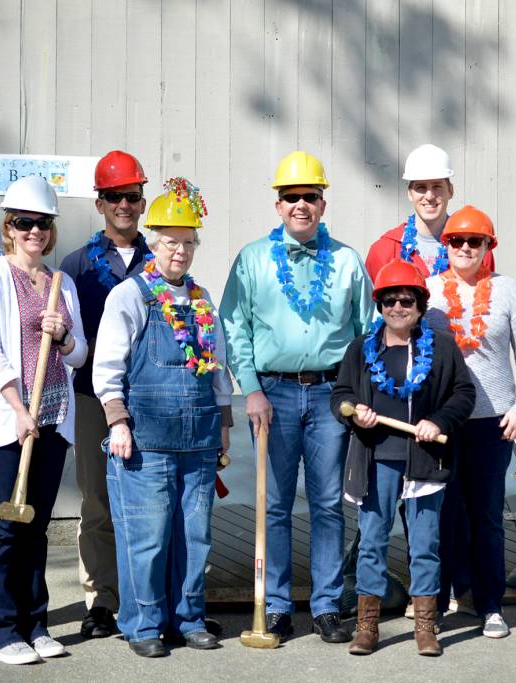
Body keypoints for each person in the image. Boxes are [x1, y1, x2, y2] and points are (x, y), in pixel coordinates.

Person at [220, 151, 374, 644]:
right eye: (291, 197)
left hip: (331, 395)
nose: (301, 205)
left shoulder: (348, 261)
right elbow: (234, 327)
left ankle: (327, 605)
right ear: (278, 204)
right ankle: (279, 605)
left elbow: (366, 332)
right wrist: (251, 390)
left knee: (329, 503)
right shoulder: (252, 259)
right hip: (273, 394)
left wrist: (356, 395)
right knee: (277, 504)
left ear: (323, 203)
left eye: (310, 196)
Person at [93, 178, 232, 658]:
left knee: (194, 536)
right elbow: (107, 367)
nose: (181, 251)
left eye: (189, 242)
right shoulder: (130, 296)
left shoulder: (202, 299)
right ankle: (142, 623)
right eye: (171, 241)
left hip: (198, 439)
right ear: (153, 243)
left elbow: (218, 369)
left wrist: (224, 428)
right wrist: (117, 422)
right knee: (147, 537)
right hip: (144, 440)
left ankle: (188, 618)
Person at [0, 176, 87, 665]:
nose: (34, 231)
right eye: (24, 223)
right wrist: (18, 410)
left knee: (34, 527)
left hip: (54, 417)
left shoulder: (63, 283)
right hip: (7, 420)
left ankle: (35, 625)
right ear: (8, 227)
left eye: (42, 224)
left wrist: (62, 338)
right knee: (0, 527)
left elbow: (80, 356)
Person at [331, 259, 476, 656]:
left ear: (419, 305)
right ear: (379, 305)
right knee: (372, 542)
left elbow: (463, 395)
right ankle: (367, 627)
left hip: (425, 460)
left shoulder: (441, 347)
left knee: (426, 543)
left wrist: (438, 419)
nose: (397, 307)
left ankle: (426, 627)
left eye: (406, 300)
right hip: (375, 459)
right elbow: (340, 394)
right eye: (389, 301)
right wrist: (352, 411)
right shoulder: (362, 348)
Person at [426, 204, 516, 639]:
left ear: (489, 246)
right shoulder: (430, 290)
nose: (466, 248)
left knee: (487, 515)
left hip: (494, 421)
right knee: (441, 515)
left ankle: (490, 604)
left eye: (476, 241)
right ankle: (434, 605)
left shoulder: (508, 291)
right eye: (457, 240)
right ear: (447, 245)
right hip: (443, 422)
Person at [59, 150, 154, 639]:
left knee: (152, 501)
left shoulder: (162, 261)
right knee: (97, 501)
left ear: (143, 201)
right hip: (93, 399)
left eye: (132, 196)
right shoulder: (75, 265)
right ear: (99, 203)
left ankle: (152, 595)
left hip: (153, 399)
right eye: (114, 196)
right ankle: (100, 601)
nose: (124, 204)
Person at [364, 144, 494, 281]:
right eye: (421, 187)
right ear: (409, 193)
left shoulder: (476, 248)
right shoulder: (384, 250)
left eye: (437, 186)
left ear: (451, 191)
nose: (430, 196)